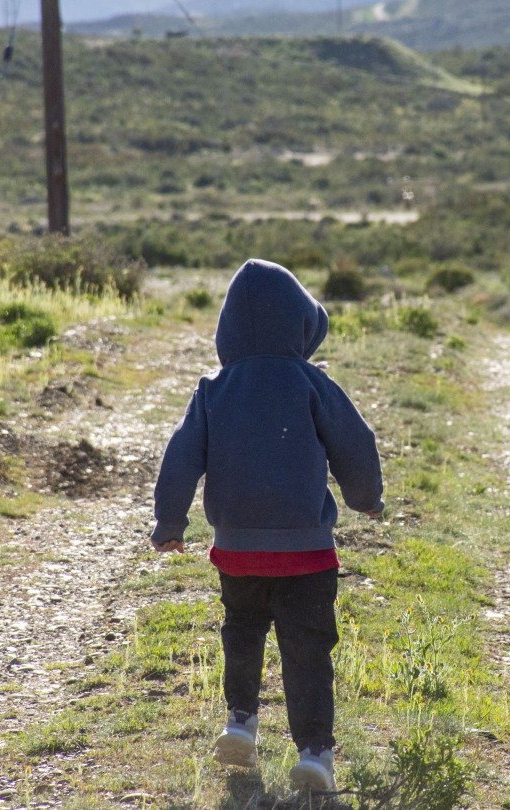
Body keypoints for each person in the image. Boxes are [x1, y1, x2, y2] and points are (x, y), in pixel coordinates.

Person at [150, 258, 384, 792]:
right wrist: (366, 500)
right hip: (307, 554)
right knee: (306, 647)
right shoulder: (312, 383)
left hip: (237, 552)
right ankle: (315, 754)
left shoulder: (214, 389)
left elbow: (180, 457)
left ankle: (240, 723)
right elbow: (356, 445)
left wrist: (170, 524)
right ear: (301, 325)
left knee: (242, 633)